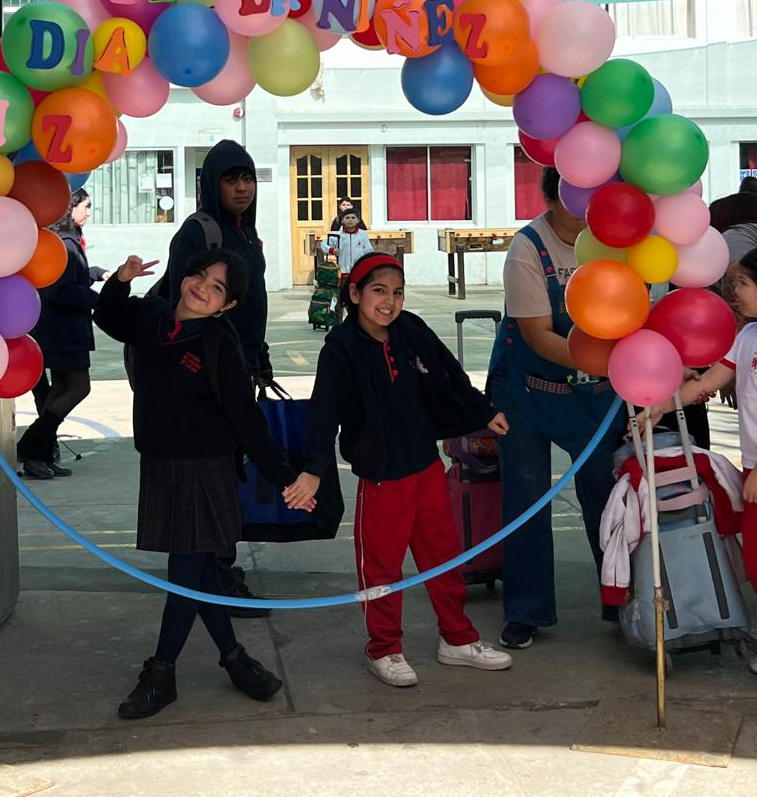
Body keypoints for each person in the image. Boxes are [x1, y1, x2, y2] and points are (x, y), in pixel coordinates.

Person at [93, 249, 314, 719]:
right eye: (199, 276)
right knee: (202, 573)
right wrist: (121, 280)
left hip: (204, 469)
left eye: (217, 288)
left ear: (226, 305)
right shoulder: (152, 316)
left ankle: (162, 673)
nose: (202, 288)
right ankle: (236, 660)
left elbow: (245, 419)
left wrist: (284, 477)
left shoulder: (217, 343)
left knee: (185, 576)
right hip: (160, 465)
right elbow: (108, 317)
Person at [286, 252, 513, 686]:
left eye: (397, 292)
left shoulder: (411, 329)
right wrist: (314, 469)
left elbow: (449, 374)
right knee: (382, 568)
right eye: (379, 291)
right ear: (355, 294)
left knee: (444, 556)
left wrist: (483, 411)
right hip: (382, 477)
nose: (389, 302)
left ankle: (458, 639)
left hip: (425, 466)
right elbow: (324, 413)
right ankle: (384, 648)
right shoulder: (341, 348)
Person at [488, 166, 624, 651]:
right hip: (529, 391)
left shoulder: (614, 241)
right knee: (526, 500)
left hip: (597, 396)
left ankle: (622, 602)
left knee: (608, 501)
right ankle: (526, 610)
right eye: (574, 200)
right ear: (548, 198)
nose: (586, 210)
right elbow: (539, 335)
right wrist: (610, 360)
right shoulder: (527, 248)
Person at [639, 246, 757, 675]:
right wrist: (661, 406)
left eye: (744, 283)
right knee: (753, 558)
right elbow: (707, 382)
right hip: (752, 467)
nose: (735, 293)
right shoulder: (746, 337)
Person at [166, 139, 272, 610]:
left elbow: (252, 303)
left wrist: (257, 356)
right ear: (212, 184)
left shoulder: (246, 231)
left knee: (230, 470)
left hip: (238, 368)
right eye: (231, 179)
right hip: (206, 377)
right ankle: (214, 574)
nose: (242, 188)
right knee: (216, 473)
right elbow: (182, 307)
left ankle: (217, 567)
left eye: (247, 178)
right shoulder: (198, 233)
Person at [17, 188, 109, 479]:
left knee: (59, 391)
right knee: (79, 387)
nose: (89, 212)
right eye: (86, 206)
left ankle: (41, 454)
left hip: (59, 330)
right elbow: (62, 291)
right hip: (65, 330)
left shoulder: (64, 241)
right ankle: (31, 447)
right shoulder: (66, 244)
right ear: (71, 209)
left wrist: (94, 272)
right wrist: (101, 301)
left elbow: (71, 277)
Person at [320, 205, 373, 286]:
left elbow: (369, 251)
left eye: (353, 218)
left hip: (358, 272)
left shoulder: (362, 234)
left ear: (358, 220)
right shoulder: (338, 235)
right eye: (347, 218)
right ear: (342, 220)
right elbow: (323, 244)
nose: (350, 220)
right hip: (343, 272)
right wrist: (332, 250)